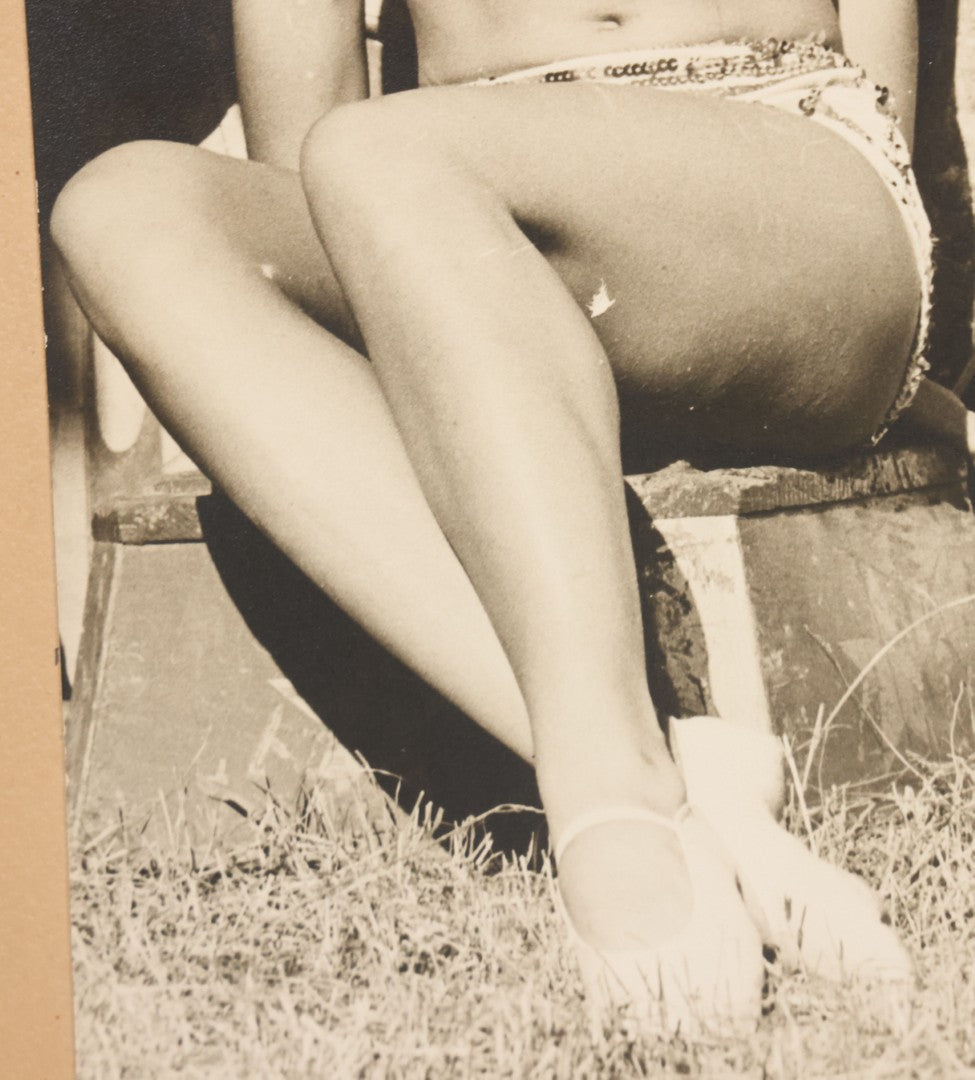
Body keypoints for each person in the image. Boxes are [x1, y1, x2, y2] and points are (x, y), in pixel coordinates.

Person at [50, 0, 974, 1033]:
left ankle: (616, 815)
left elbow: (887, 100)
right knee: (125, 208)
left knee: (384, 152)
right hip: (452, 210)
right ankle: (665, 762)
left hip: (777, 171)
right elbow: (295, 157)